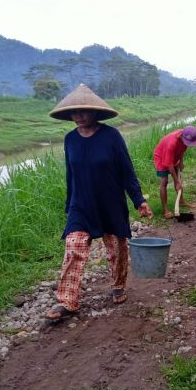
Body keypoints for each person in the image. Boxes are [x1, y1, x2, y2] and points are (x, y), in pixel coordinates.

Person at [45, 84, 153, 321]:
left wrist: (138, 201)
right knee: (73, 248)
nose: (79, 117)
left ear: (94, 112)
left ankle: (118, 285)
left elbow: (127, 171)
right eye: (74, 113)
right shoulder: (70, 139)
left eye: (83, 112)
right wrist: (68, 205)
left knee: (117, 248)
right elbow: (70, 175)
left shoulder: (111, 136)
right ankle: (67, 301)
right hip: (81, 205)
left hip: (110, 202)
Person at [153, 125, 196, 218]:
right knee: (164, 181)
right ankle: (165, 209)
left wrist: (181, 162)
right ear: (182, 137)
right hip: (161, 156)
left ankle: (181, 201)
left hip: (174, 155)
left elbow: (182, 149)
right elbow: (169, 165)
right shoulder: (171, 144)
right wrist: (176, 181)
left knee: (178, 178)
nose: (187, 144)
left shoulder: (186, 134)